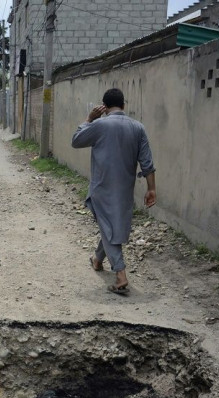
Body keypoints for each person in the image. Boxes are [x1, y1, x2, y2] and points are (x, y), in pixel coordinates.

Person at [71, 88, 156, 295]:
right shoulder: (138, 128)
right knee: (108, 225)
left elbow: (76, 141)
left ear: (105, 107)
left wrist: (89, 118)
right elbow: (147, 162)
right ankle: (98, 260)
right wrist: (151, 188)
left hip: (102, 187)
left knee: (107, 226)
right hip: (125, 189)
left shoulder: (99, 124)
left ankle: (120, 274)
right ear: (124, 105)